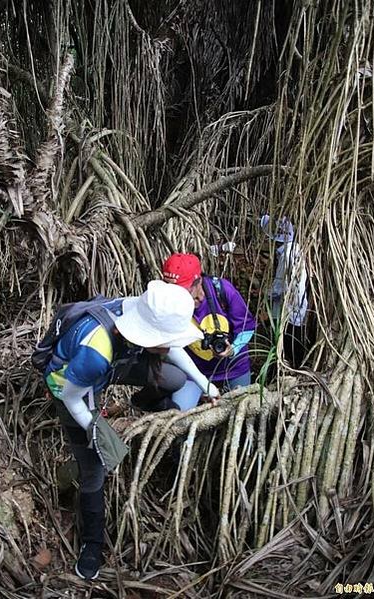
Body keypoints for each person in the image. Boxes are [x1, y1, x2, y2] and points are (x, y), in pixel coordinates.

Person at [42, 281, 203, 580]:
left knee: (173, 378)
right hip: (71, 384)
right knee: (95, 468)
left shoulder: (140, 307)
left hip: (117, 362)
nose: (171, 345)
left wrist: (206, 384)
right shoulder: (95, 352)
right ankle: (91, 543)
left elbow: (172, 348)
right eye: (167, 339)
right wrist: (98, 431)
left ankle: (142, 404)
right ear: (150, 335)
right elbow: (71, 396)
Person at [162, 253, 256, 410]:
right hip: (193, 371)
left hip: (234, 366)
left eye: (182, 289)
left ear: (198, 282)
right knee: (180, 417)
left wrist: (233, 349)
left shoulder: (222, 290)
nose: (174, 295)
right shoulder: (165, 302)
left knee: (244, 412)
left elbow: (247, 326)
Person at [260, 214, 308, 368]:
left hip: (289, 309)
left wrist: (264, 294)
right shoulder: (297, 248)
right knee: (295, 339)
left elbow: (279, 287)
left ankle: (289, 369)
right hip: (298, 306)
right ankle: (295, 367)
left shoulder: (286, 255)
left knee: (288, 342)